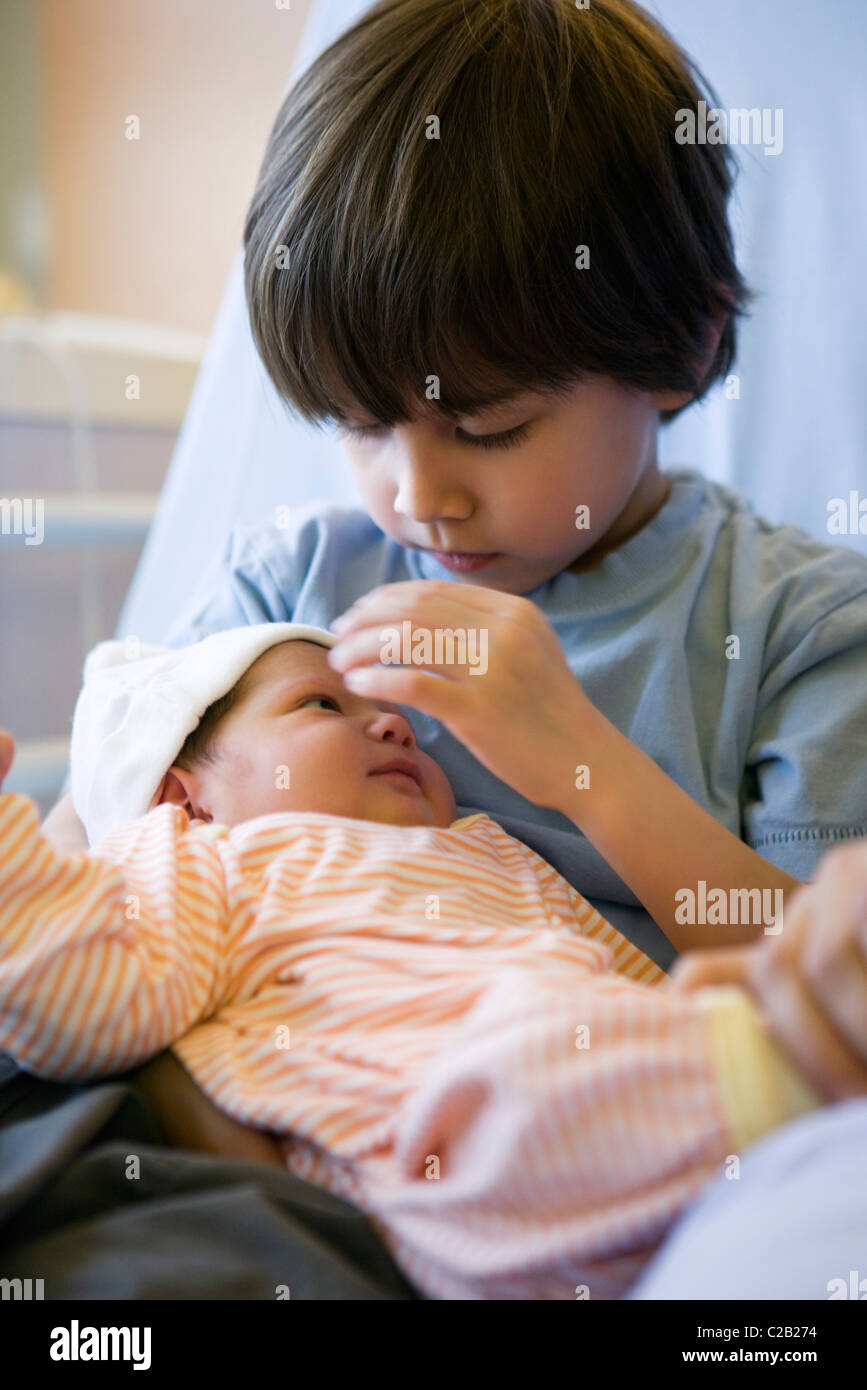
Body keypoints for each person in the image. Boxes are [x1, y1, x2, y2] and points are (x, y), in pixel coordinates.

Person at [40, 0, 867, 1288]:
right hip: (273, 1128)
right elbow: (99, 886)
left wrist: (586, 763)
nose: (418, 496)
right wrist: (272, 1167)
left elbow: (831, 982)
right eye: (359, 427)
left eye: (485, 430)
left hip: (637, 1150)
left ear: (687, 344)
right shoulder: (295, 585)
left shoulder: (794, 627)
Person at [0, 620, 851, 1300]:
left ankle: (777, 1062)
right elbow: (85, 995)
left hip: (630, 1115)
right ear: (186, 794)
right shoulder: (199, 858)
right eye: (321, 707)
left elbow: (614, 987)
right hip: (439, 1153)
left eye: (381, 706)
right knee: (527, 1069)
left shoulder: (486, 850)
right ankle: (793, 1063)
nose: (392, 721)